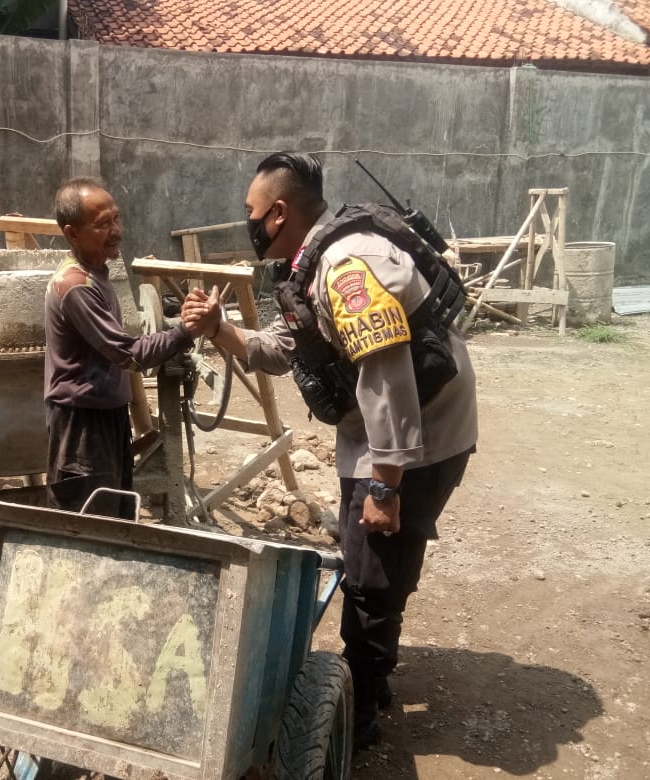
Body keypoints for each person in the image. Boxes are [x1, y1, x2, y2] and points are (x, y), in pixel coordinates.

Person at [182, 152, 478, 749]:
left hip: (415, 436)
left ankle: (358, 710)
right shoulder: (308, 265)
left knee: (370, 575)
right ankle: (376, 668)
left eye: (251, 212)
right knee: (379, 562)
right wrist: (218, 327)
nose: (248, 222)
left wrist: (385, 487)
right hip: (386, 432)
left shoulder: (346, 268)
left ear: (279, 212)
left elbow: (387, 374)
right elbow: (278, 349)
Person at [44, 178, 200, 519]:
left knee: (116, 514)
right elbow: (129, 354)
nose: (116, 230)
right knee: (90, 522)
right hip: (83, 425)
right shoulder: (76, 287)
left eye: (116, 218)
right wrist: (187, 331)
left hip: (106, 415)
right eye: (103, 224)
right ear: (72, 233)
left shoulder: (97, 273)